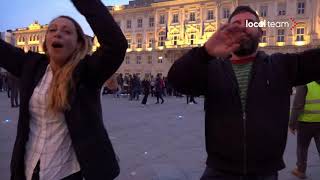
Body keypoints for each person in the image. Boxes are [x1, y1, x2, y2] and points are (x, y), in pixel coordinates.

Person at [168, 6, 320, 180]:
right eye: (236, 23)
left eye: (249, 23)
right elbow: (175, 81)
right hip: (219, 170)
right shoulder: (211, 69)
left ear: (261, 32)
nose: (242, 27)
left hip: (264, 171)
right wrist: (204, 53)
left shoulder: (281, 65)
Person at [0, 0, 128, 179]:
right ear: (46, 41)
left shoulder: (87, 73)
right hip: (28, 170)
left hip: (67, 172)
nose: (58, 33)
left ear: (78, 43)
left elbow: (116, 46)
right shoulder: (31, 65)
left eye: (67, 31)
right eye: (52, 30)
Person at [289, 81, 320, 179]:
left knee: (302, 148)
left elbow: (297, 105)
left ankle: (301, 170)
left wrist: (292, 124)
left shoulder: (305, 83)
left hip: (305, 123)